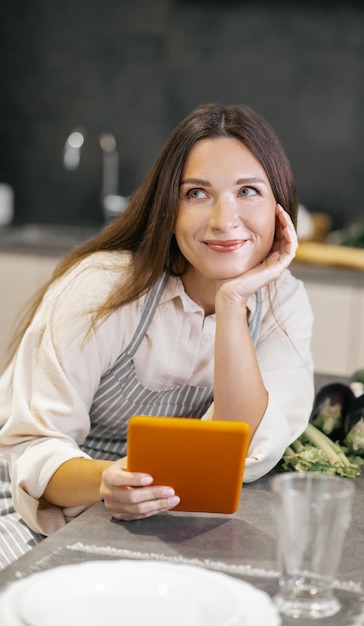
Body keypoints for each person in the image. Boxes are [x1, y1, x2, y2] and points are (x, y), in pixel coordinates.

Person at [0, 103, 314, 570]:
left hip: (160, 524)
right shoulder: (104, 288)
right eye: (197, 193)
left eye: (248, 190)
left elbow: (241, 451)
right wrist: (109, 480)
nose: (224, 220)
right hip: (40, 515)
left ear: (279, 208)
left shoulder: (282, 303)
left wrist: (233, 304)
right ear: (168, 208)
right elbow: (30, 448)